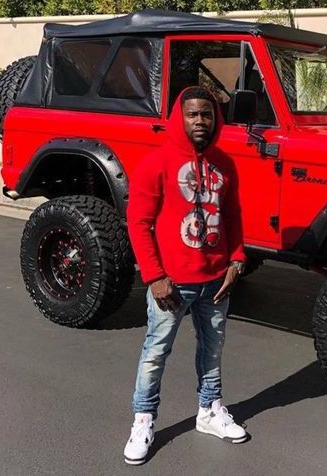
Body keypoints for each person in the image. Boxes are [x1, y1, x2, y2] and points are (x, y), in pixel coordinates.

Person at [123, 86, 248, 465]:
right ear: (180, 118)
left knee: (213, 349)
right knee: (155, 352)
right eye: (192, 114)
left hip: (216, 281)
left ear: (215, 118)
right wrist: (154, 277)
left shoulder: (224, 164)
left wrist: (236, 260)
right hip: (172, 284)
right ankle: (143, 420)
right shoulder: (156, 162)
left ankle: (209, 410)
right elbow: (138, 222)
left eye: (206, 114)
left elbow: (232, 216)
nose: (200, 121)